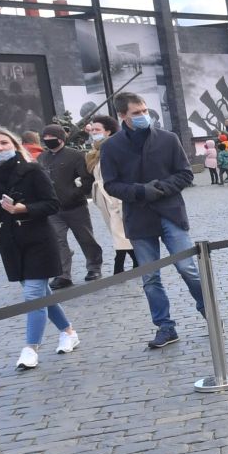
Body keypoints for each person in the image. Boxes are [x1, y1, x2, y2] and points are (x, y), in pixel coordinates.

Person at [97, 93, 204, 350]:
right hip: (138, 217)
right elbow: (111, 184)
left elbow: (185, 174)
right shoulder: (111, 147)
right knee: (150, 278)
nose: (143, 115)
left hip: (170, 212)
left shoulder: (168, 139)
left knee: (188, 268)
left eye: (145, 110)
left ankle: (208, 309)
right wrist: (140, 191)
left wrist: (160, 188)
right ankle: (165, 327)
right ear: (122, 116)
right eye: (136, 113)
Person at [0, 128, 78, 371]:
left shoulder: (32, 170)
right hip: (10, 243)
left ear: (14, 144)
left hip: (38, 239)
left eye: (3, 143)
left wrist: (23, 209)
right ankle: (68, 332)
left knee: (32, 296)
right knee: (41, 295)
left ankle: (31, 348)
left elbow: (52, 204)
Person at [37, 122, 102, 288]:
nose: (48, 140)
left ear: (61, 138)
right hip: (53, 208)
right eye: (45, 138)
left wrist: (76, 194)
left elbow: (87, 180)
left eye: (52, 137)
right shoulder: (42, 158)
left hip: (75, 206)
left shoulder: (75, 155)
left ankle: (94, 267)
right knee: (58, 241)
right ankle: (63, 274)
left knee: (86, 238)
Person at [83, 115, 133, 274]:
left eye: (97, 130)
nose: (93, 133)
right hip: (103, 197)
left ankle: (119, 265)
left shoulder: (114, 148)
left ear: (108, 131)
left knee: (120, 232)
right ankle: (133, 261)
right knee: (116, 232)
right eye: (92, 130)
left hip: (115, 197)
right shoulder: (94, 151)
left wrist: (118, 200)